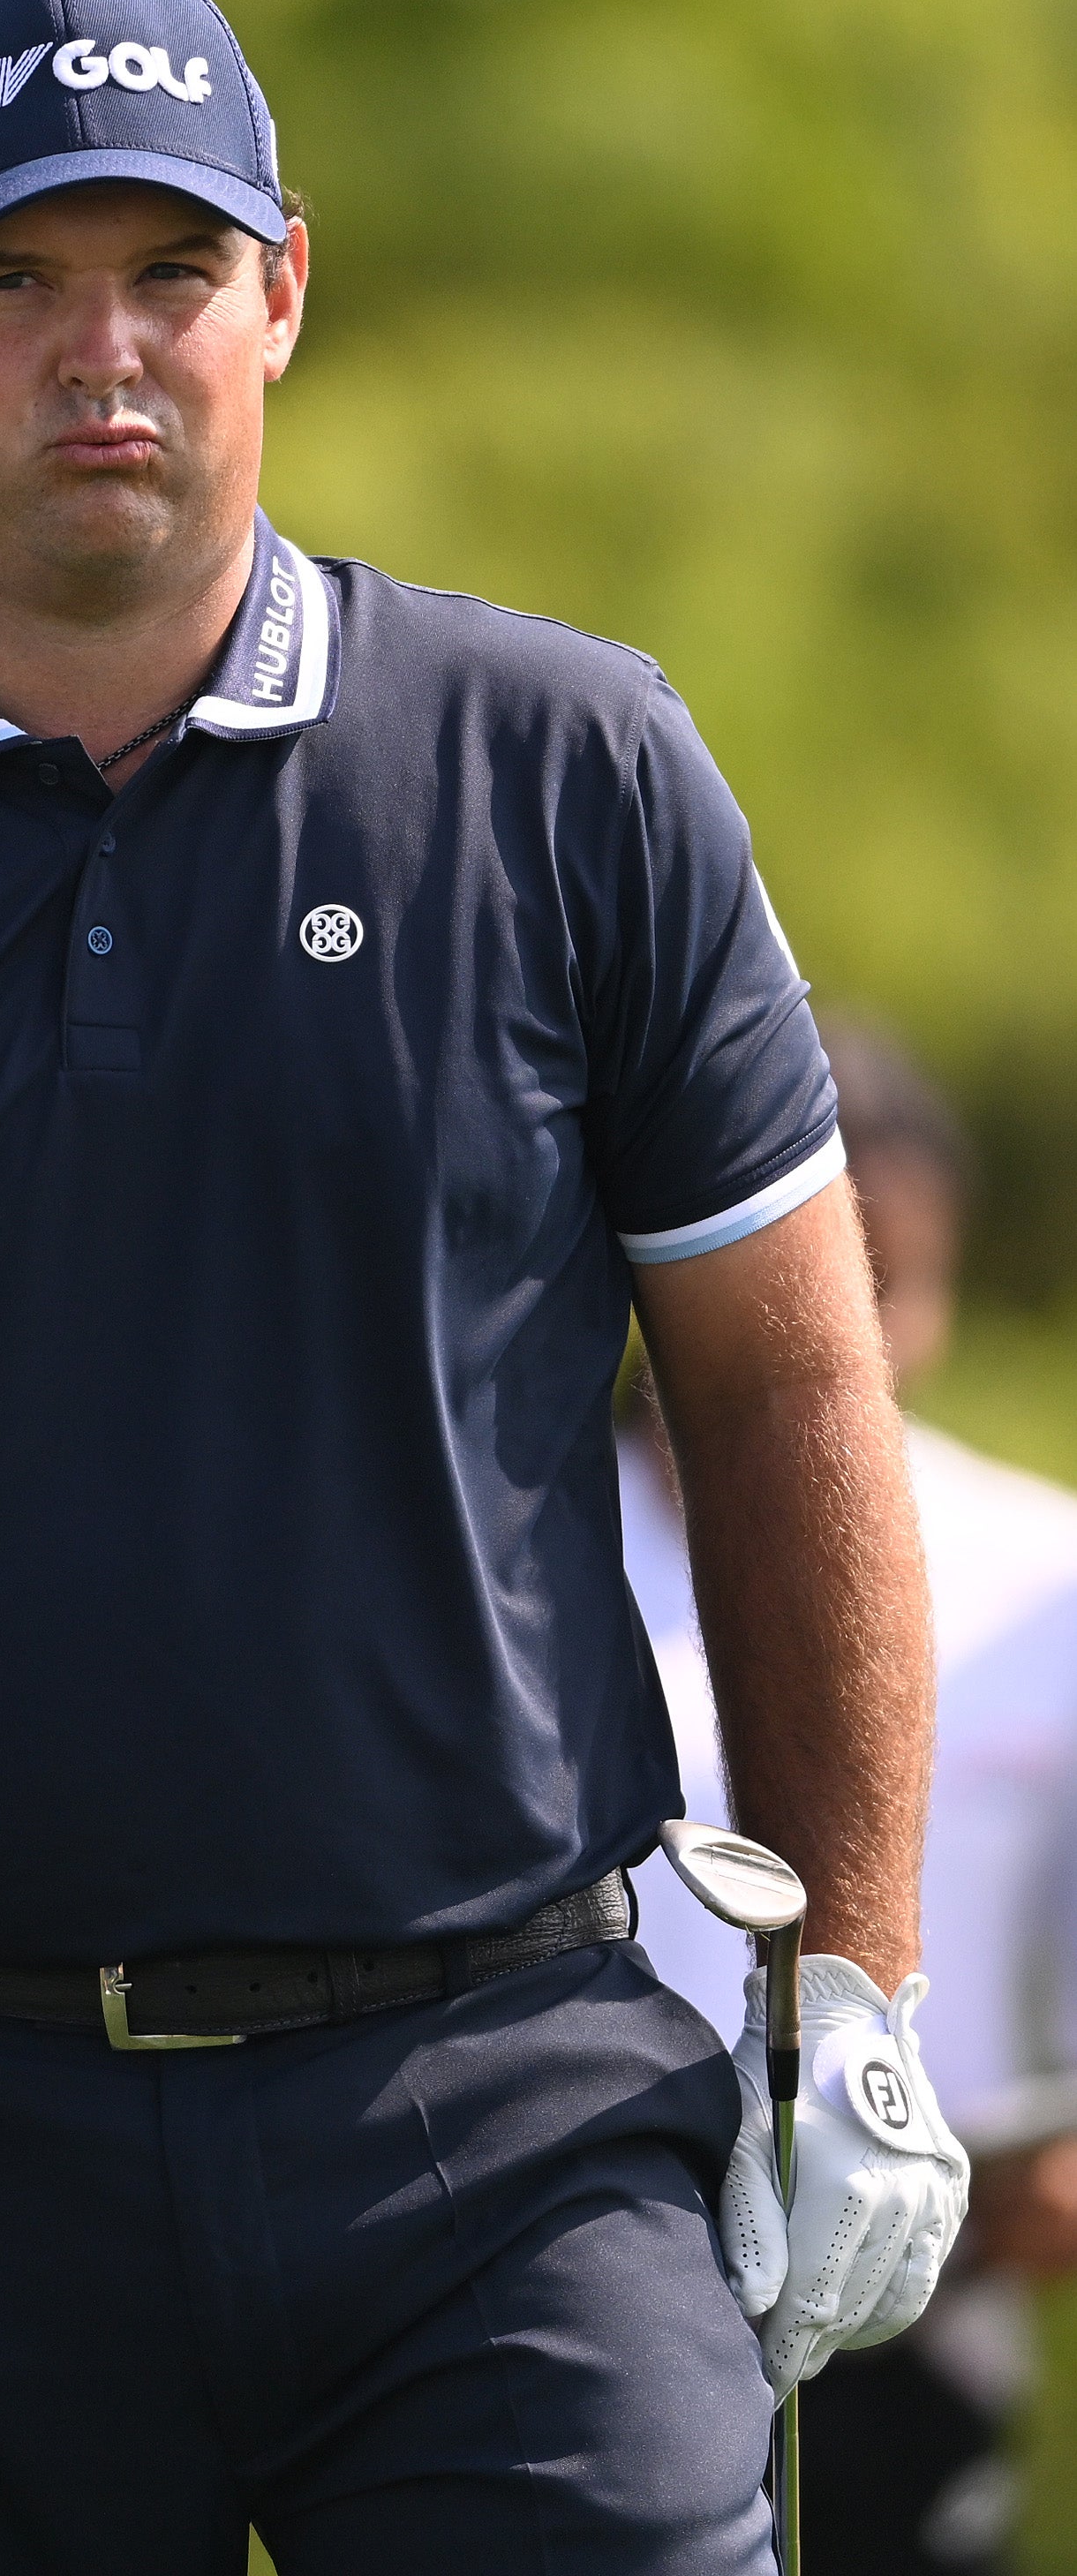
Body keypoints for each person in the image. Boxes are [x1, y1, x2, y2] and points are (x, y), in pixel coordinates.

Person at [0, 0, 966, 2573]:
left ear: (282, 292)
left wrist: (850, 1995)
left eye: (164, 271)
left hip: (505, 2115)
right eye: (5, 280)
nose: (97, 351)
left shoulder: (563, 767)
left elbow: (788, 1400)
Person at [627, 1018, 1077, 2572]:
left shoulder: (1044, 1572)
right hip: (560, 2266)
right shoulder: (505, 1551)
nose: (840, 1336)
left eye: (884, 1281)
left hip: (917, 2313)